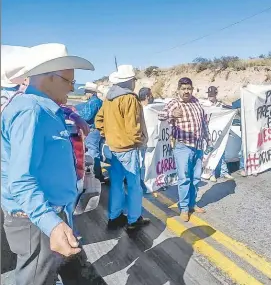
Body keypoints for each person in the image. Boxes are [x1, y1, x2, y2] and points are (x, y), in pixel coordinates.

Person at [1, 43, 93, 285]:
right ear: (49, 76)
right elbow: (20, 178)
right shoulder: (31, 111)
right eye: (69, 81)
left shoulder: (45, 108)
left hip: (48, 212)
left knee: (50, 278)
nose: (72, 88)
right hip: (35, 219)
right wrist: (51, 223)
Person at [95, 65, 150, 231]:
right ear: (129, 81)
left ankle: (114, 216)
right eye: (133, 79)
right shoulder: (129, 99)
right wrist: (138, 142)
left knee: (117, 184)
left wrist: (110, 135)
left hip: (113, 148)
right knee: (134, 186)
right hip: (127, 148)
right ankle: (133, 220)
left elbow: (99, 121)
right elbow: (134, 127)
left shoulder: (109, 98)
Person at [158, 77, 211, 222]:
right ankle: (184, 208)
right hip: (182, 146)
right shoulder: (174, 103)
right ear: (178, 90)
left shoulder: (196, 102)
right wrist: (172, 114)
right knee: (184, 178)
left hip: (198, 146)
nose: (186, 91)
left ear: (192, 89)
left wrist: (208, 138)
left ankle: (193, 204)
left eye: (189, 89)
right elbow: (160, 115)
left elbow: (203, 122)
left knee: (195, 178)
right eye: (184, 89)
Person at [201, 86, 234, 182]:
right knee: (210, 153)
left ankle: (224, 172)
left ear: (216, 94)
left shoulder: (221, 105)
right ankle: (211, 173)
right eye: (209, 94)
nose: (211, 96)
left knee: (221, 151)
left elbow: (229, 111)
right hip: (208, 133)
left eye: (212, 94)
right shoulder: (204, 105)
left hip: (218, 133)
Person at [74, 81, 104, 181]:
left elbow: (87, 116)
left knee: (92, 153)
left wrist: (74, 114)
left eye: (86, 92)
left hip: (93, 131)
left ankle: (95, 176)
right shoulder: (97, 101)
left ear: (90, 92)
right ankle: (97, 174)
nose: (85, 94)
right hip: (97, 130)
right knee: (95, 152)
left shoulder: (93, 102)